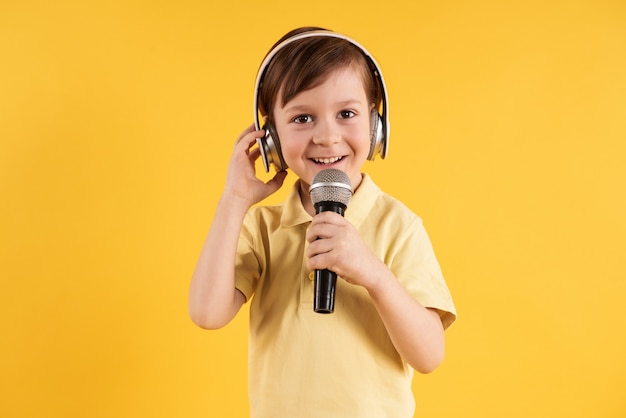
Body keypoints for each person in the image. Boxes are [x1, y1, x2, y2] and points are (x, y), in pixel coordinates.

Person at [189, 26, 457, 418]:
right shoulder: (263, 229)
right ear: (271, 140)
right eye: (302, 118)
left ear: (376, 125)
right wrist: (234, 201)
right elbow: (206, 313)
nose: (327, 137)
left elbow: (429, 355)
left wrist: (373, 274)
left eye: (346, 114)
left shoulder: (399, 225)